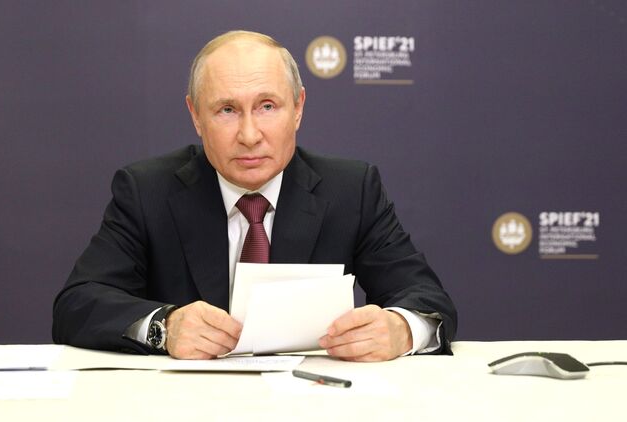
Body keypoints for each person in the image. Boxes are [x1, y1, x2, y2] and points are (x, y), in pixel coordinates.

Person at [52, 30, 457, 361]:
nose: (249, 135)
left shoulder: (352, 190)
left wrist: (402, 329)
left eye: (267, 106)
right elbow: (77, 305)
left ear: (297, 108)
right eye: (227, 110)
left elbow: (427, 300)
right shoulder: (147, 191)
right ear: (196, 116)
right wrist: (164, 326)